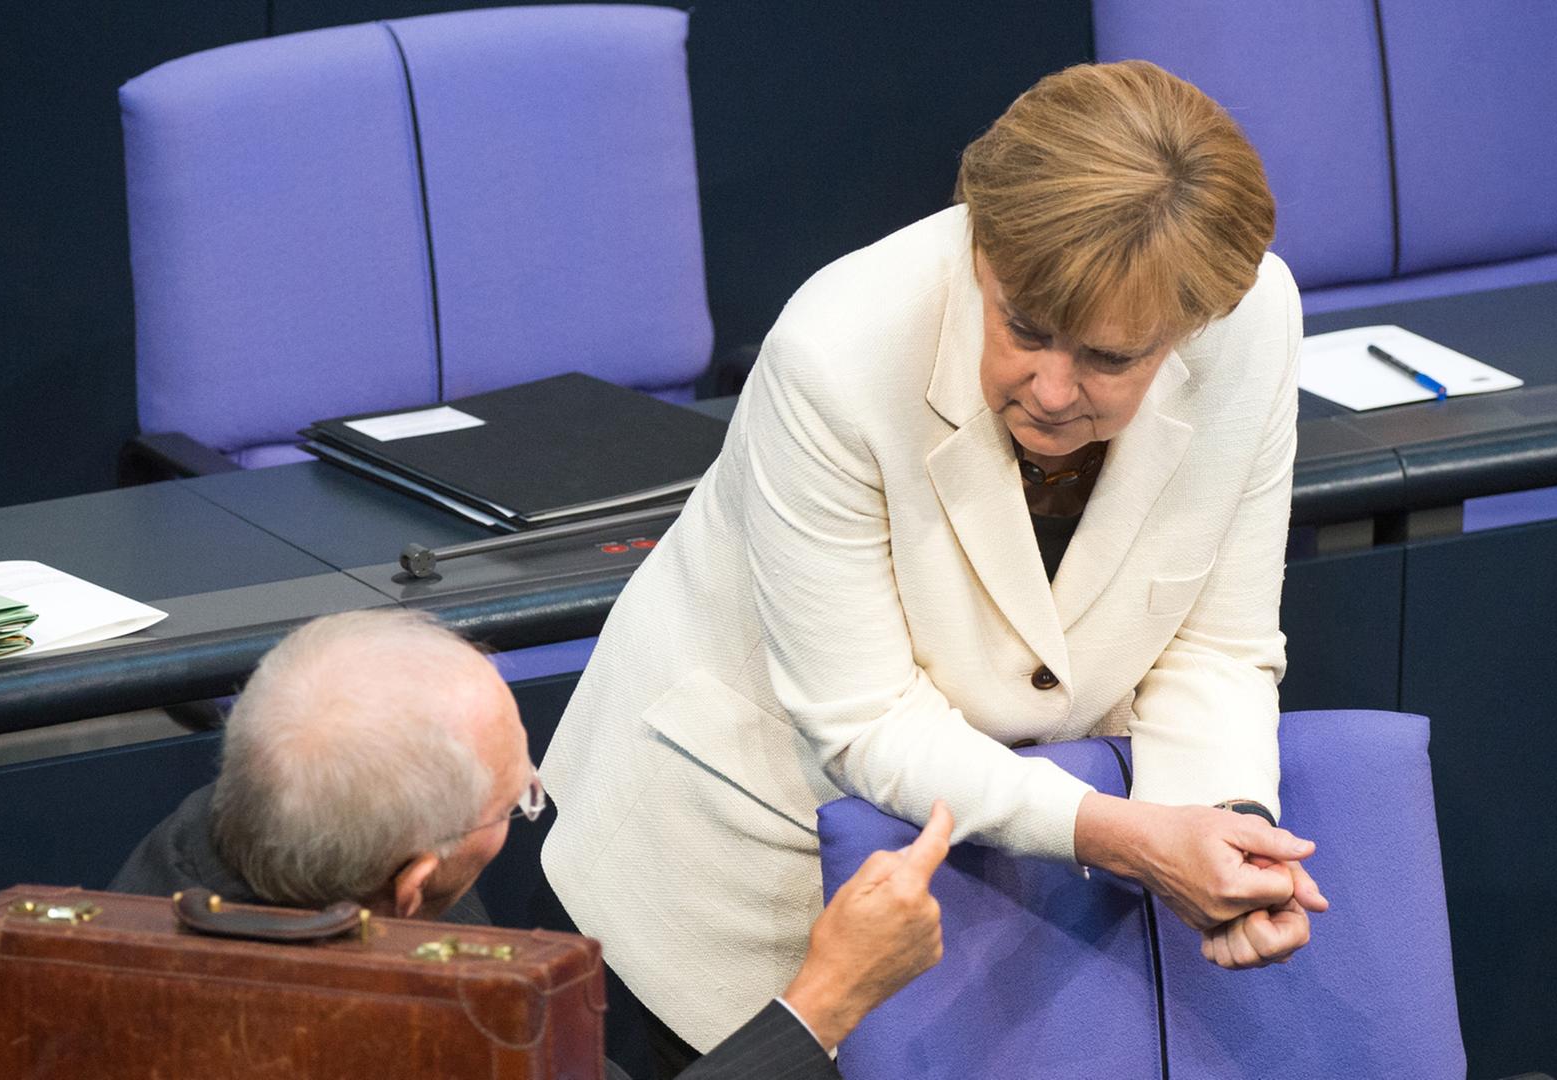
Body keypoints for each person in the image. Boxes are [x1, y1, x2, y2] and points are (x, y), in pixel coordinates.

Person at [540, 59, 1330, 1072]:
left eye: (1107, 359)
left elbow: (1214, 644)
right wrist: (1131, 837)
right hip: (737, 874)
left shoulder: (1253, 323)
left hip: (1008, 898)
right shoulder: (837, 353)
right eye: (1024, 330)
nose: (1050, 391)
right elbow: (864, 719)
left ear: (1191, 329)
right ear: (979, 248)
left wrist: (1229, 827)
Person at [111, 609, 952, 1080]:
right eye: (517, 799)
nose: (531, 788)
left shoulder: (182, 859)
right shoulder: (414, 1045)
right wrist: (827, 1000)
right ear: (413, 888)